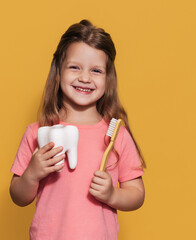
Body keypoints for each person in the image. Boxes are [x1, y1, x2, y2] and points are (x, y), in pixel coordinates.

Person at [9, 19, 146, 240]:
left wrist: (113, 195)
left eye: (96, 70)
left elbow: (137, 195)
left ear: (108, 79)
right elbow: (18, 196)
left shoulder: (116, 135)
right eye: (75, 67)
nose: (85, 77)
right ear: (58, 72)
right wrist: (32, 174)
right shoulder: (37, 132)